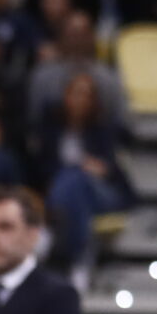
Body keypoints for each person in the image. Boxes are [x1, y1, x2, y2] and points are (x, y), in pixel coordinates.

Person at [34, 70, 131, 279]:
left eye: (86, 94)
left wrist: (101, 169)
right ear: (65, 96)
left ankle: (52, 236)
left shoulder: (103, 130)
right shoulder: (52, 130)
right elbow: (41, 169)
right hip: (69, 196)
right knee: (73, 187)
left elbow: (115, 173)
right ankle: (80, 259)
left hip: (101, 193)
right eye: (76, 93)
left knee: (76, 178)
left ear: (94, 101)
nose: (80, 99)